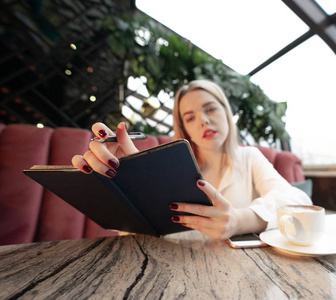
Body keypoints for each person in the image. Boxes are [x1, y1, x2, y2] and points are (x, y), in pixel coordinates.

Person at [72, 80, 312, 240]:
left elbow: (298, 201)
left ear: (226, 112)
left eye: (211, 109)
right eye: (190, 117)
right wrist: (127, 189)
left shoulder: (249, 157)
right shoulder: (167, 167)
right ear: (184, 128)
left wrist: (239, 220)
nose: (203, 121)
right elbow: (142, 236)